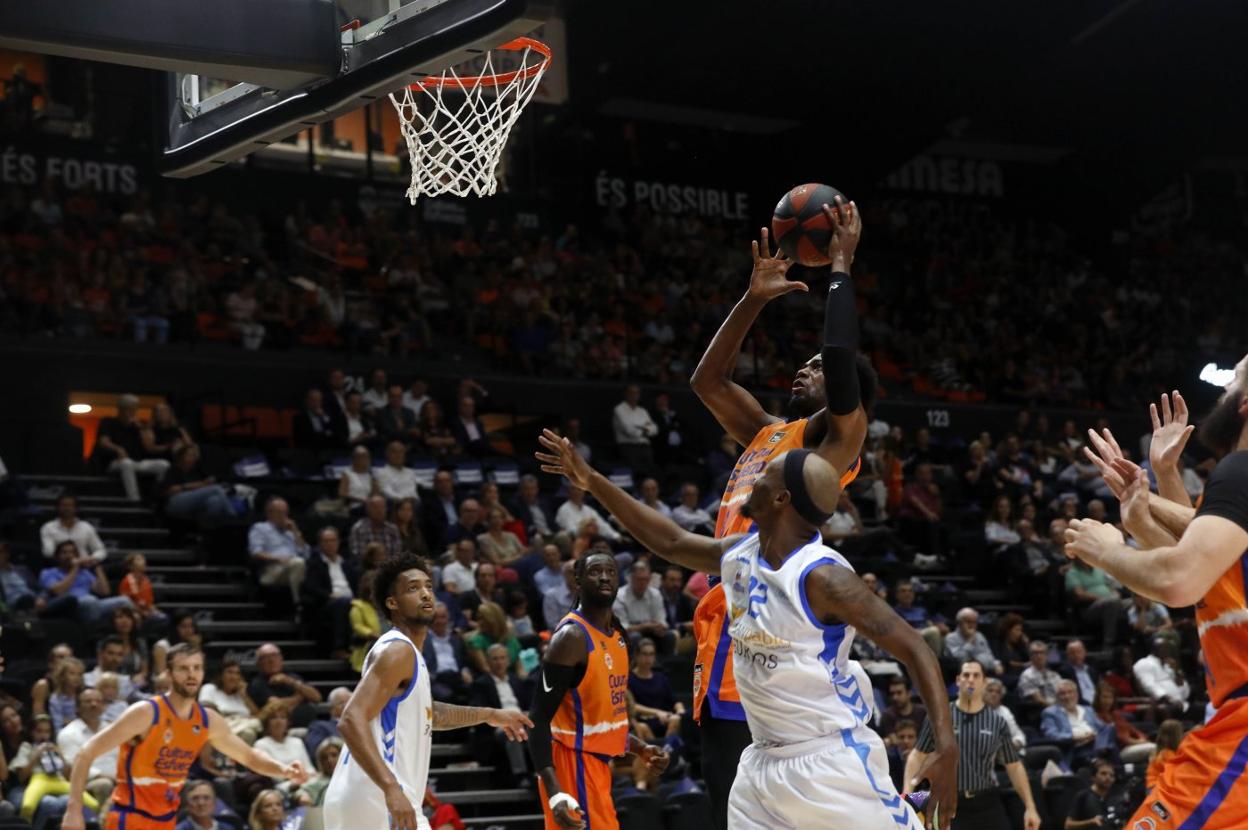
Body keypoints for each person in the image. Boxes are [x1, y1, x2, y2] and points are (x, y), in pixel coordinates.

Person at [535, 412, 958, 829]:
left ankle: (908, 808)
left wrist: (947, 748)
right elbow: (670, 540)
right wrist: (591, 480)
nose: (751, 478)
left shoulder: (823, 577)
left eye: (764, 475)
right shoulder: (741, 553)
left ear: (781, 499)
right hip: (761, 766)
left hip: (831, 762)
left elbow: (916, 648)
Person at [1065, 362, 1248, 830]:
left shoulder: (1241, 471)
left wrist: (1108, 552)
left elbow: (1180, 579)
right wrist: (1155, 487)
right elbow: (1206, 575)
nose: (1224, 391)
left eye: (1234, 382)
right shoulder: (1234, 487)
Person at [323, 554, 531, 830]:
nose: (425, 594)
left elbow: (430, 714)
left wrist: (490, 714)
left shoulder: (408, 655)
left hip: (372, 793)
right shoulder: (398, 651)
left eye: (428, 586)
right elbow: (350, 720)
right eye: (413, 588)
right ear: (392, 603)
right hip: (376, 795)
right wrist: (390, 788)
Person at [60, 642, 309, 830]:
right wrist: (74, 810)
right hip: (130, 817)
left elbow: (250, 757)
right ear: (169, 674)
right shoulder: (147, 713)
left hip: (166, 820)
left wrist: (284, 770)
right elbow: (86, 753)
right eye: (183, 669)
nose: (191, 675)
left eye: (197, 668)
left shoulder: (207, 720)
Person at [526, 550, 670, 830]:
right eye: (594, 571)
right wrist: (556, 793)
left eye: (611, 571)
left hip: (597, 765)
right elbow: (537, 719)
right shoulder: (571, 638)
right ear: (577, 581)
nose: (604, 577)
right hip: (571, 764)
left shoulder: (617, 635)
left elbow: (600, 721)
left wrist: (640, 748)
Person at [906, 660, 1040, 830]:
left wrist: (1030, 807)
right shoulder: (939, 718)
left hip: (988, 801)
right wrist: (907, 796)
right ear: (957, 680)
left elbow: (1013, 766)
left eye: (976, 676)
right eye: (966, 675)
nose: (970, 680)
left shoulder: (997, 721)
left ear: (984, 682)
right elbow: (917, 756)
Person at [470, 644, 535, 786]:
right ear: (488, 662)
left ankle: (542, 770)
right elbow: (480, 710)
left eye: (502, 658)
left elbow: (528, 704)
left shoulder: (517, 681)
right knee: (510, 730)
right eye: (495, 659)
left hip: (521, 719)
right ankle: (520, 774)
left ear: (508, 661)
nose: (499, 662)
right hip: (497, 724)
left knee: (539, 729)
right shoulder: (481, 684)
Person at [38, 541, 134, 629]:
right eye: (64, 553)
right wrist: (75, 568)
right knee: (90, 601)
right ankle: (96, 628)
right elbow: (57, 591)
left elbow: (105, 591)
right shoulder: (49, 572)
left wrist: (97, 567)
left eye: (72, 552)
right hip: (71, 606)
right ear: (57, 556)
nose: (69, 556)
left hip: (94, 605)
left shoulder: (84, 572)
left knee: (125, 601)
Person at [94, 394, 171, 502]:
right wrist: (118, 449)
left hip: (137, 462)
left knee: (163, 464)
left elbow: (149, 447)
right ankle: (134, 500)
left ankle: (157, 497)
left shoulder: (138, 426)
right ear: (120, 409)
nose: (132, 412)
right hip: (115, 462)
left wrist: (142, 429)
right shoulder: (108, 422)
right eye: (128, 408)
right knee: (127, 463)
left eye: (134, 408)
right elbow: (103, 442)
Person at [302, 527, 358, 659]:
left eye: (333, 540)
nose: (330, 544)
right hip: (327, 602)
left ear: (338, 542)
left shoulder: (347, 563)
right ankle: (339, 648)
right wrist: (329, 595)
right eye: (326, 541)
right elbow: (311, 587)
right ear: (320, 544)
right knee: (342, 603)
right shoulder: (314, 564)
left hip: (352, 600)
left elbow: (356, 584)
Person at [248, 498, 309, 608]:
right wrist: (277, 559)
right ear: (269, 513)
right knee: (298, 563)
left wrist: (295, 532)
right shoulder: (260, 528)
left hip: (294, 566)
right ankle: (299, 605)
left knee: (301, 564)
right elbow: (255, 552)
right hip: (272, 570)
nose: (284, 516)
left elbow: (306, 554)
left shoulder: (291, 532)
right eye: (280, 512)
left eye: (286, 512)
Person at [247, 643, 323, 728]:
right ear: (259, 663)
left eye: (275, 656)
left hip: (309, 726)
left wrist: (290, 681)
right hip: (280, 730)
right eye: (266, 657)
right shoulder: (256, 683)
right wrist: (299, 697)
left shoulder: (291, 677)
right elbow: (275, 704)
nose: (271, 660)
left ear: (281, 658)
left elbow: (317, 697)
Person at [1040, 680, 1106, 770]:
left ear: (1077, 694)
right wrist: (1075, 737)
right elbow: (1051, 735)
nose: (1067, 696)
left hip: (1095, 743)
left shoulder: (1087, 710)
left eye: (1070, 692)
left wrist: (1095, 735)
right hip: (1074, 748)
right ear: (1057, 697)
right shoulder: (1050, 713)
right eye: (1062, 694)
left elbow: (1102, 728)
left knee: (1110, 730)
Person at [613, 559, 673, 653]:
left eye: (646, 579)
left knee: (669, 636)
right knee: (635, 636)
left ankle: (664, 666)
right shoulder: (620, 596)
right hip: (628, 635)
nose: (643, 583)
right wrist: (646, 626)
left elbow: (661, 621)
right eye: (639, 579)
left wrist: (661, 627)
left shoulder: (655, 594)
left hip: (651, 632)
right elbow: (622, 628)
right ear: (631, 578)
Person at [199, 657, 262, 744]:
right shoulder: (209, 688)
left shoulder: (241, 695)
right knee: (248, 732)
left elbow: (257, 716)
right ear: (221, 675)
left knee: (252, 728)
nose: (234, 677)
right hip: (220, 727)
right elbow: (205, 711)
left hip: (242, 727)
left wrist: (244, 695)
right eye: (230, 672)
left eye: (237, 673)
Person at [422, 602, 473, 703]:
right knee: (447, 695)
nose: (440, 621)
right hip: (437, 679)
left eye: (443, 617)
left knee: (476, 689)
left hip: (458, 677)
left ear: (448, 618)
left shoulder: (456, 638)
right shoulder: (423, 640)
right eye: (436, 618)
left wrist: (465, 670)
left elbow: (464, 660)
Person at [40, 494, 106, 563]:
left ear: (76, 508)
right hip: (59, 566)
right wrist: (67, 559)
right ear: (58, 507)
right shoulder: (48, 527)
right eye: (64, 505)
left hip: (84, 565)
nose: (67, 508)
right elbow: (48, 553)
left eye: (70, 505)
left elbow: (101, 550)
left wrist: (91, 559)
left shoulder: (86, 527)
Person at [612, 385, 658, 475]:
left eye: (636, 393)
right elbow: (629, 430)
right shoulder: (619, 409)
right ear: (626, 394)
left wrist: (638, 427)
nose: (634, 395)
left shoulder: (642, 411)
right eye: (631, 393)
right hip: (628, 447)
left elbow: (654, 430)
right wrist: (644, 428)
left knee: (651, 473)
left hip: (645, 447)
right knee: (635, 474)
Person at [943, 608, 1002, 676]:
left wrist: (996, 664)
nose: (972, 625)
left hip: (984, 673)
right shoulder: (950, 638)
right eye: (968, 621)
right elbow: (961, 660)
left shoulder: (979, 636)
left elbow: (988, 654)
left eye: (974, 622)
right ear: (959, 623)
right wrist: (970, 642)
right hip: (960, 675)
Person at [1064, 759, 1116, 830]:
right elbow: (1068, 825)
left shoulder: (1116, 797)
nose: (1108, 777)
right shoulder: (1083, 796)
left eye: (1111, 775)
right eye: (1103, 773)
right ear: (1093, 777)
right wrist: (1091, 822)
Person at [349, 495, 403, 561]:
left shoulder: (393, 529)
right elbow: (358, 555)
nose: (379, 510)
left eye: (382, 507)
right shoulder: (358, 528)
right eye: (375, 507)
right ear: (368, 509)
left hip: (390, 568)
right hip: (367, 568)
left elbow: (397, 554)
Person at [350, 571, 382, 673]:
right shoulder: (358, 606)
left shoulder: (387, 605)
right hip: (368, 645)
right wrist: (374, 635)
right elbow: (358, 627)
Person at [1017, 640, 1061, 709]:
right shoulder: (1026, 675)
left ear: (1046, 655)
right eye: (1035, 653)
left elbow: (1063, 693)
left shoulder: (1054, 675)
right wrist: (1056, 709)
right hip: (1041, 711)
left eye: (1042, 652)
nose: (1039, 656)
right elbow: (1039, 700)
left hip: (1059, 708)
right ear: (1030, 656)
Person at [983, 679, 1025, 750]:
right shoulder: (975, 710)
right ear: (983, 693)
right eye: (990, 690)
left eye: (998, 692)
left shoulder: (1005, 711)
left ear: (1001, 696)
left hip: (1009, 752)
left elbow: (1018, 735)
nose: (994, 694)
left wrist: (1016, 743)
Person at [1057, 640, 1101, 706]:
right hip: (1079, 706)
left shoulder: (1092, 670)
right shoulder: (1064, 671)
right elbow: (1070, 695)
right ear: (1068, 655)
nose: (1076, 655)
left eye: (1079, 652)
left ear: (1084, 652)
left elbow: (1099, 689)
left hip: (1098, 705)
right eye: (1072, 653)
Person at [1147, 719, 1184, 792]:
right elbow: (1177, 774)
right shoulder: (1167, 754)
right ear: (1176, 736)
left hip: (1155, 787)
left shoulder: (1159, 751)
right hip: (1157, 790)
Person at [339, 446, 379, 510]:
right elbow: (343, 495)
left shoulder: (370, 475)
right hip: (352, 507)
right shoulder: (347, 474)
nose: (367, 459)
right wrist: (363, 501)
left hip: (368, 507)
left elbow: (375, 495)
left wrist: (375, 482)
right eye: (363, 456)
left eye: (368, 456)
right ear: (355, 459)